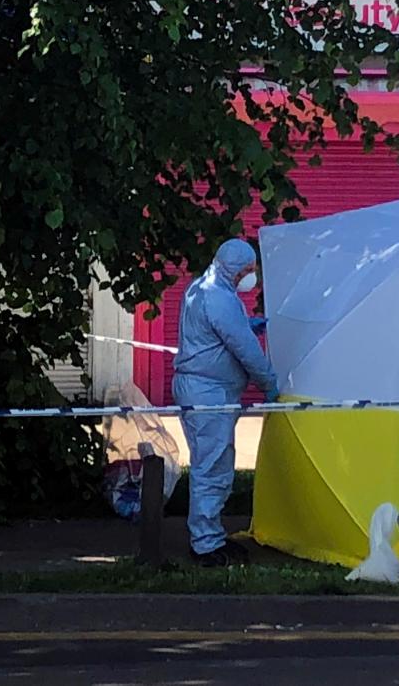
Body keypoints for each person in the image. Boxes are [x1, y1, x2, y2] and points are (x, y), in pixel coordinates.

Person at [173, 238, 279, 567]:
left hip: (203, 392)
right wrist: (270, 385)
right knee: (212, 469)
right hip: (209, 396)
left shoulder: (201, 289)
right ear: (235, 268)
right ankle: (205, 545)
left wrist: (247, 324)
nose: (251, 276)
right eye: (248, 270)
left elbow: (218, 332)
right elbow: (245, 350)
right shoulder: (219, 298)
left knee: (212, 464)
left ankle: (211, 535)